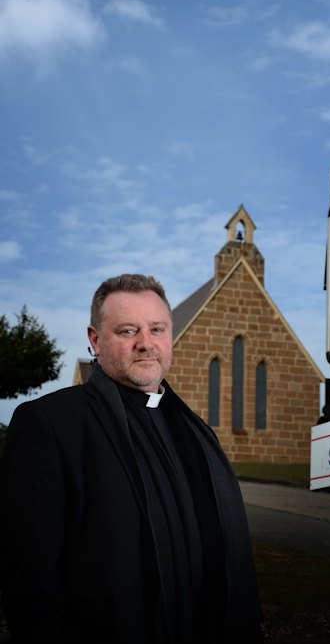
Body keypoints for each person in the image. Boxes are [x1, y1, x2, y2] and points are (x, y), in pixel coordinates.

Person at [0, 274, 263, 643]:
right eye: (127, 331)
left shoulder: (198, 433)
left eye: (157, 329)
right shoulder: (50, 425)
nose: (146, 344)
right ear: (95, 339)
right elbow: (29, 582)